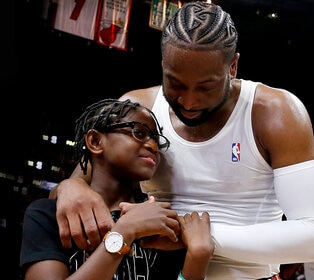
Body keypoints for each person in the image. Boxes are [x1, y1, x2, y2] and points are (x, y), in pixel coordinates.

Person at [50, 2, 314, 279]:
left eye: (205, 87)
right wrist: (70, 187)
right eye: (176, 84)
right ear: (163, 64)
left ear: (232, 66)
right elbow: (74, 190)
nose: (188, 101)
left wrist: (194, 235)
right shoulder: (138, 108)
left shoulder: (274, 112)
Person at [20, 98, 214, 280]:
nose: (153, 145)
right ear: (95, 141)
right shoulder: (46, 214)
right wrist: (125, 231)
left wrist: (197, 258)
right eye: (139, 132)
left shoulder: (159, 218)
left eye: (157, 139)